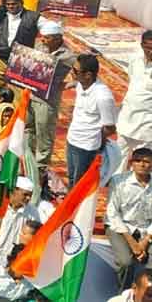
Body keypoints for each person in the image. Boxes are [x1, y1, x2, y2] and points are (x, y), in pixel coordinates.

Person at [29, 20, 75, 171]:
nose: (42, 40)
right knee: (28, 130)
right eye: (42, 37)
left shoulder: (67, 56)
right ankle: (27, 160)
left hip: (47, 101)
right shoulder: (39, 46)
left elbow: (76, 77)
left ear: (57, 39)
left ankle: (40, 168)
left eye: (46, 38)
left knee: (44, 135)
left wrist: (66, 85)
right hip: (30, 95)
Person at [66, 53, 118, 186]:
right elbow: (75, 84)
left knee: (80, 184)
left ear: (88, 75)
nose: (72, 72)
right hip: (72, 139)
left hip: (86, 147)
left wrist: (97, 139)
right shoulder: (82, 84)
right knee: (71, 179)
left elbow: (110, 128)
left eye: (75, 71)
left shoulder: (103, 97)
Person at [107, 148, 152, 289]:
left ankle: (145, 293)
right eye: (137, 161)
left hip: (147, 228)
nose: (142, 164)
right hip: (120, 227)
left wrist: (145, 240)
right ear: (131, 163)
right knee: (125, 262)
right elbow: (112, 213)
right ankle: (124, 292)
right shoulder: (118, 181)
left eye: (146, 162)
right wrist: (132, 243)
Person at [0, 176, 39, 268]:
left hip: (13, 261)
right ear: (14, 191)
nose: (28, 198)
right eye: (25, 194)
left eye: (30, 195)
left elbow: (36, 234)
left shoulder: (32, 212)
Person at [0, 0, 42, 95]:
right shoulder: (0, 15)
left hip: (20, 58)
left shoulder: (33, 17)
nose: (11, 6)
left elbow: (49, 28)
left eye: (14, 4)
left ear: (21, 3)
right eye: (8, 4)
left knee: (18, 89)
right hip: (0, 56)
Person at [116, 30, 152, 170]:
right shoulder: (135, 59)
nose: (150, 52)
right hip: (127, 119)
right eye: (147, 48)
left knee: (141, 165)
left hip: (146, 126)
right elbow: (133, 80)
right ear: (142, 45)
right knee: (118, 159)